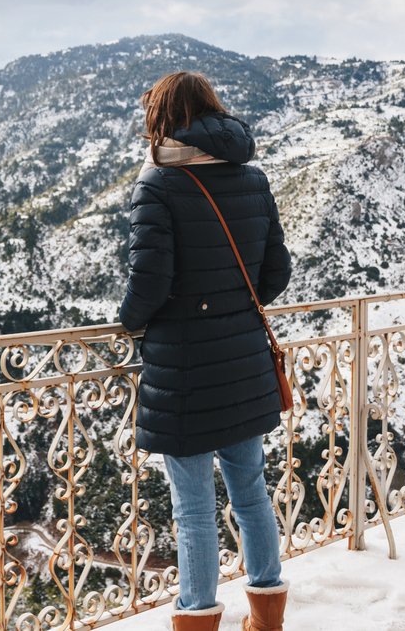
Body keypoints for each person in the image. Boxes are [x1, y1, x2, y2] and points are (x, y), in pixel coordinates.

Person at [118, 71, 292, 631]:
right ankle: (266, 614)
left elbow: (148, 284)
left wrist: (127, 323)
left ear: (164, 119)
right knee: (252, 494)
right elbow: (276, 272)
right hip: (242, 363)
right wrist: (234, 306)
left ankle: (197, 617)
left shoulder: (158, 184)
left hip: (184, 372)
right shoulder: (252, 178)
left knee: (193, 510)